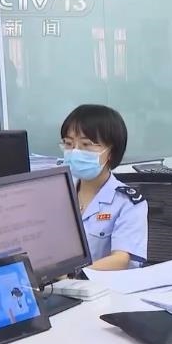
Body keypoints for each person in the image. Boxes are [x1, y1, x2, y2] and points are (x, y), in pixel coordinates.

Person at [60, 104, 148, 270]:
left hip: (105, 284)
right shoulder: (58, 193)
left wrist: (72, 275)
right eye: (69, 143)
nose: (75, 152)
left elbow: (121, 260)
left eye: (86, 144)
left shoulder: (128, 203)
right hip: (57, 284)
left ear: (111, 153)